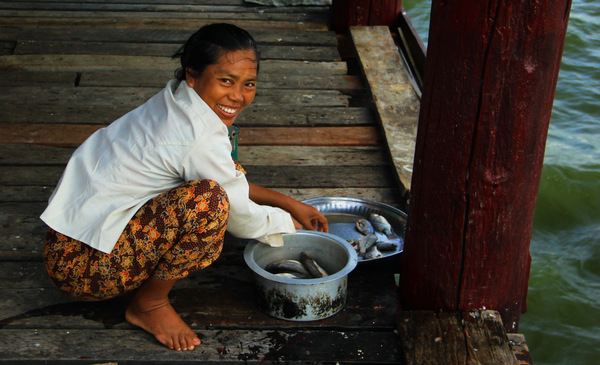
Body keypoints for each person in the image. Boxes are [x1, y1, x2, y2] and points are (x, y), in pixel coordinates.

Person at [40, 23, 328, 352]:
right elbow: (239, 216)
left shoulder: (177, 100)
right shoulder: (197, 134)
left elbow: (226, 176)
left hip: (70, 244)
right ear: (193, 75)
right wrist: (287, 225)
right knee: (208, 204)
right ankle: (148, 305)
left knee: (212, 192)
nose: (238, 95)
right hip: (85, 271)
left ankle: (146, 297)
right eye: (226, 81)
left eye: (249, 84)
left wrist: (287, 202)